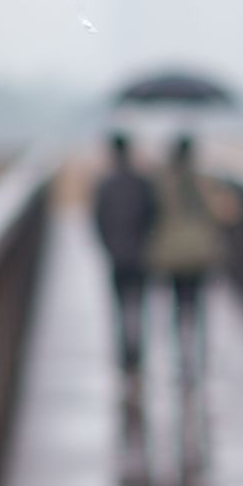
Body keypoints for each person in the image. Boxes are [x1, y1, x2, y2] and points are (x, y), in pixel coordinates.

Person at [146, 134, 239, 385]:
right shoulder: (205, 181)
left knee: (179, 303)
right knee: (198, 304)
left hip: (172, 253)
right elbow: (227, 213)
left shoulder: (162, 182)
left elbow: (150, 216)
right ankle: (199, 352)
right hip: (201, 252)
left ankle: (183, 355)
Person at [92, 131, 158, 388]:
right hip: (140, 254)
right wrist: (145, 243)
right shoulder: (142, 182)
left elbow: (98, 221)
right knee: (138, 307)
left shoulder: (104, 184)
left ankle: (125, 359)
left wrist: (108, 246)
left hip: (116, 256)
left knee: (120, 309)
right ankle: (137, 355)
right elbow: (153, 215)